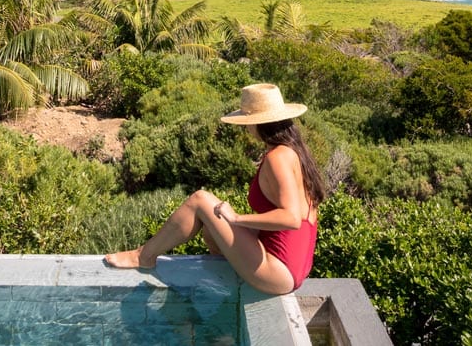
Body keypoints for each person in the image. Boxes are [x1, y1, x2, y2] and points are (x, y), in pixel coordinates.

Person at [105, 83, 325, 294]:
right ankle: (227, 283)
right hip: (294, 265)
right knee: (212, 226)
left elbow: (292, 218)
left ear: (257, 123)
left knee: (201, 200)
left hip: (279, 270)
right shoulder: (294, 152)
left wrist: (237, 219)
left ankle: (144, 256)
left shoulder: (277, 157)